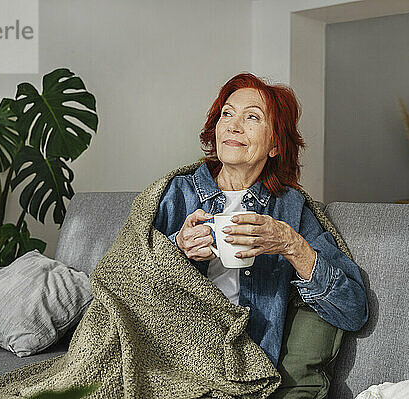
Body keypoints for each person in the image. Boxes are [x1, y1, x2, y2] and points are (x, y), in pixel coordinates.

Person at [154, 72, 368, 368]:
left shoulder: (289, 207)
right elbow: (122, 278)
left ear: (275, 145)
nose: (233, 125)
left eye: (252, 117)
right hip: (171, 350)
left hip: (244, 362)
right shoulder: (177, 191)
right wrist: (176, 247)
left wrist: (290, 244)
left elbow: (353, 311)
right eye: (226, 114)